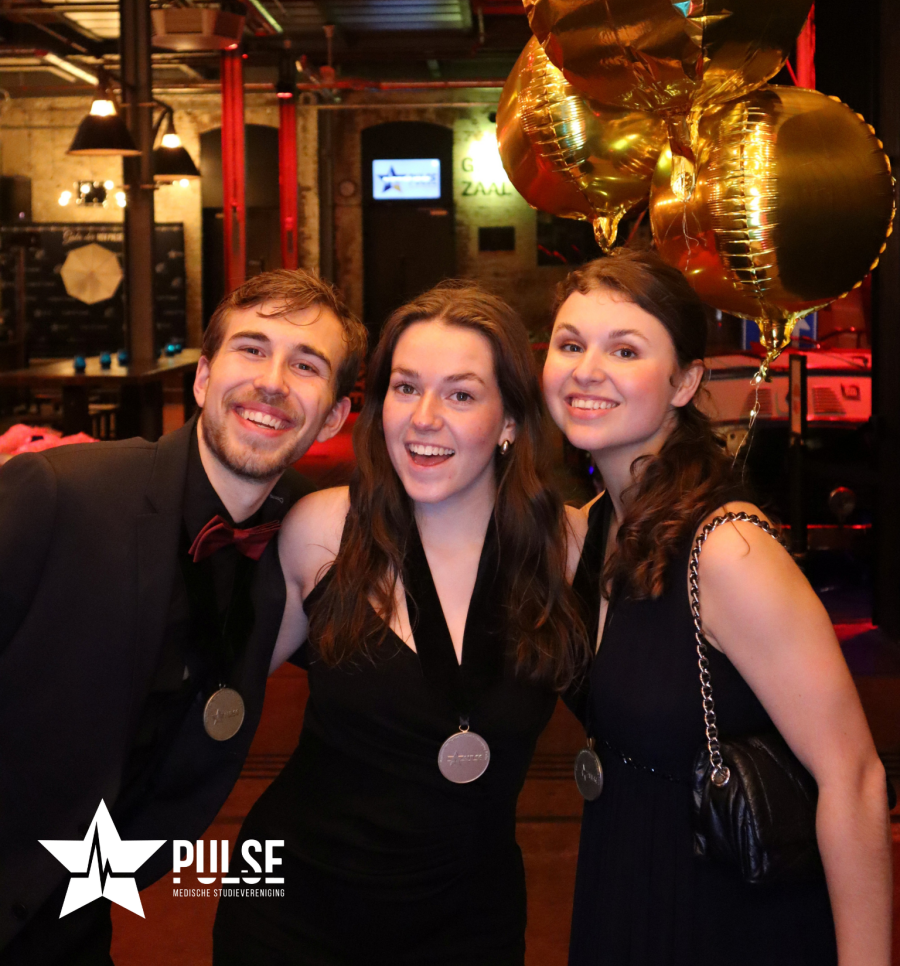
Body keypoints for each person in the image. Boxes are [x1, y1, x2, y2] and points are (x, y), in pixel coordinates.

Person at [213, 281, 587, 966]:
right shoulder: (323, 531)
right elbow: (213, 682)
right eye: (406, 388)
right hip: (292, 916)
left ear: (510, 420)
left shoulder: (566, 549)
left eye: (461, 395)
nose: (424, 418)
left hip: (469, 924)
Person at [0, 269, 366, 966]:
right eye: (251, 349)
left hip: (76, 918)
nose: (272, 382)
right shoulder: (61, 494)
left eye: (306, 365)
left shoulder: (306, 535)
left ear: (333, 418)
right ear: (202, 378)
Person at [541, 248, 892, 966]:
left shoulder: (727, 550)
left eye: (625, 350)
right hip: (626, 881)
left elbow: (854, 778)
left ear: (685, 381)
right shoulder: (596, 527)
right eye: (570, 344)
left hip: (724, 915)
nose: (587, 370)